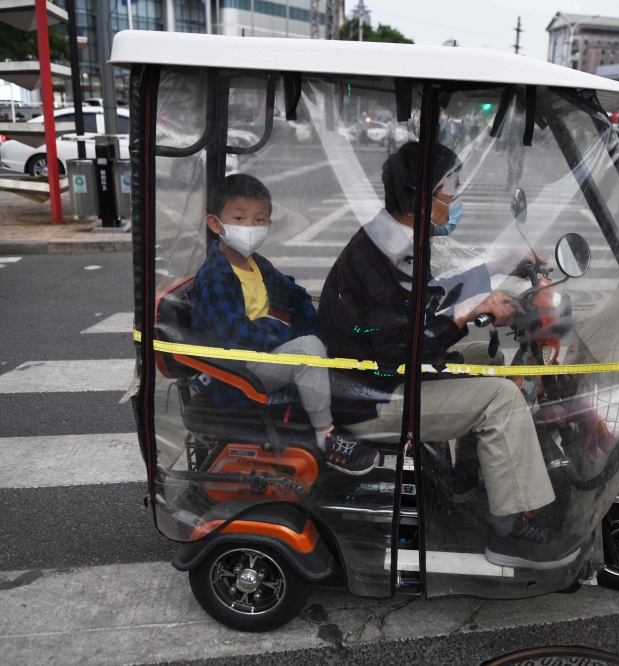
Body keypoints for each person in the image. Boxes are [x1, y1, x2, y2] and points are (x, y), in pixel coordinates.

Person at [318, 142, 569, 569]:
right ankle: (509, 534)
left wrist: (497, 267)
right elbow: (397, 351)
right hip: (368, 396)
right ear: (420, 195)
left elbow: (430, 296)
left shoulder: (394, 237)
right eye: (451, 186)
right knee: (502, 399)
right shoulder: (379, 255)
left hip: (375, 378)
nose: (456, 197)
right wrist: (469, 311)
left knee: (482, 360)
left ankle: (467, 482)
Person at [188, 173, 380, 476]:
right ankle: (325, 436)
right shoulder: (216, 275)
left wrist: (312, 332)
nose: (250, 228)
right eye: (239, 218)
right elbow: (235, 338)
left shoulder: (256, 264)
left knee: (317, 348)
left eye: (259, 220)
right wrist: (297, 339)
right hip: (235, 375)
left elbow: (296, 295)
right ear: (215, 224)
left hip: (259, 359)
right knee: (308, 351)